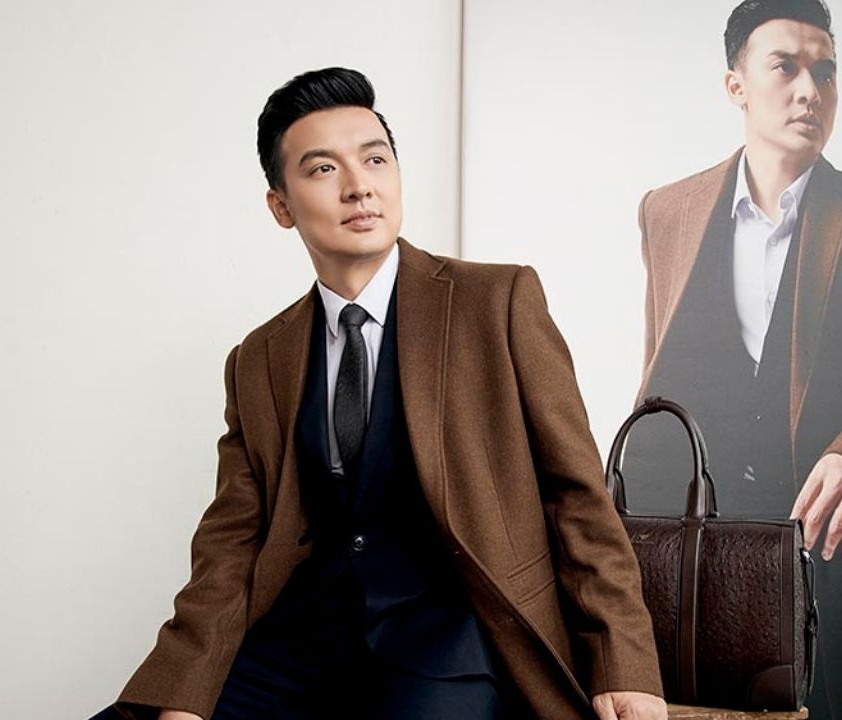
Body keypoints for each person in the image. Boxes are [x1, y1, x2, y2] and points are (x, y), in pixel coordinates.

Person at [90, 68, 666, 720]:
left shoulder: (496, 303)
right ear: (281, 206)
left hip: (450, 647)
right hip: (299, 646)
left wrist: (625, 663)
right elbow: (231, 543)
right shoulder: (260, 359)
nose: (359, 185)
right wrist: (184, 697)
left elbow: (578, 495)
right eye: (323, 169)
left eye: (374, 159)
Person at [626, 1, 842, 718]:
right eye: (785, 66)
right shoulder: (666, 210)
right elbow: (661, 362)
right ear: (736, 86)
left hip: (824, 548)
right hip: (695, 540)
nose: (811, 90)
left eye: (826, 71)